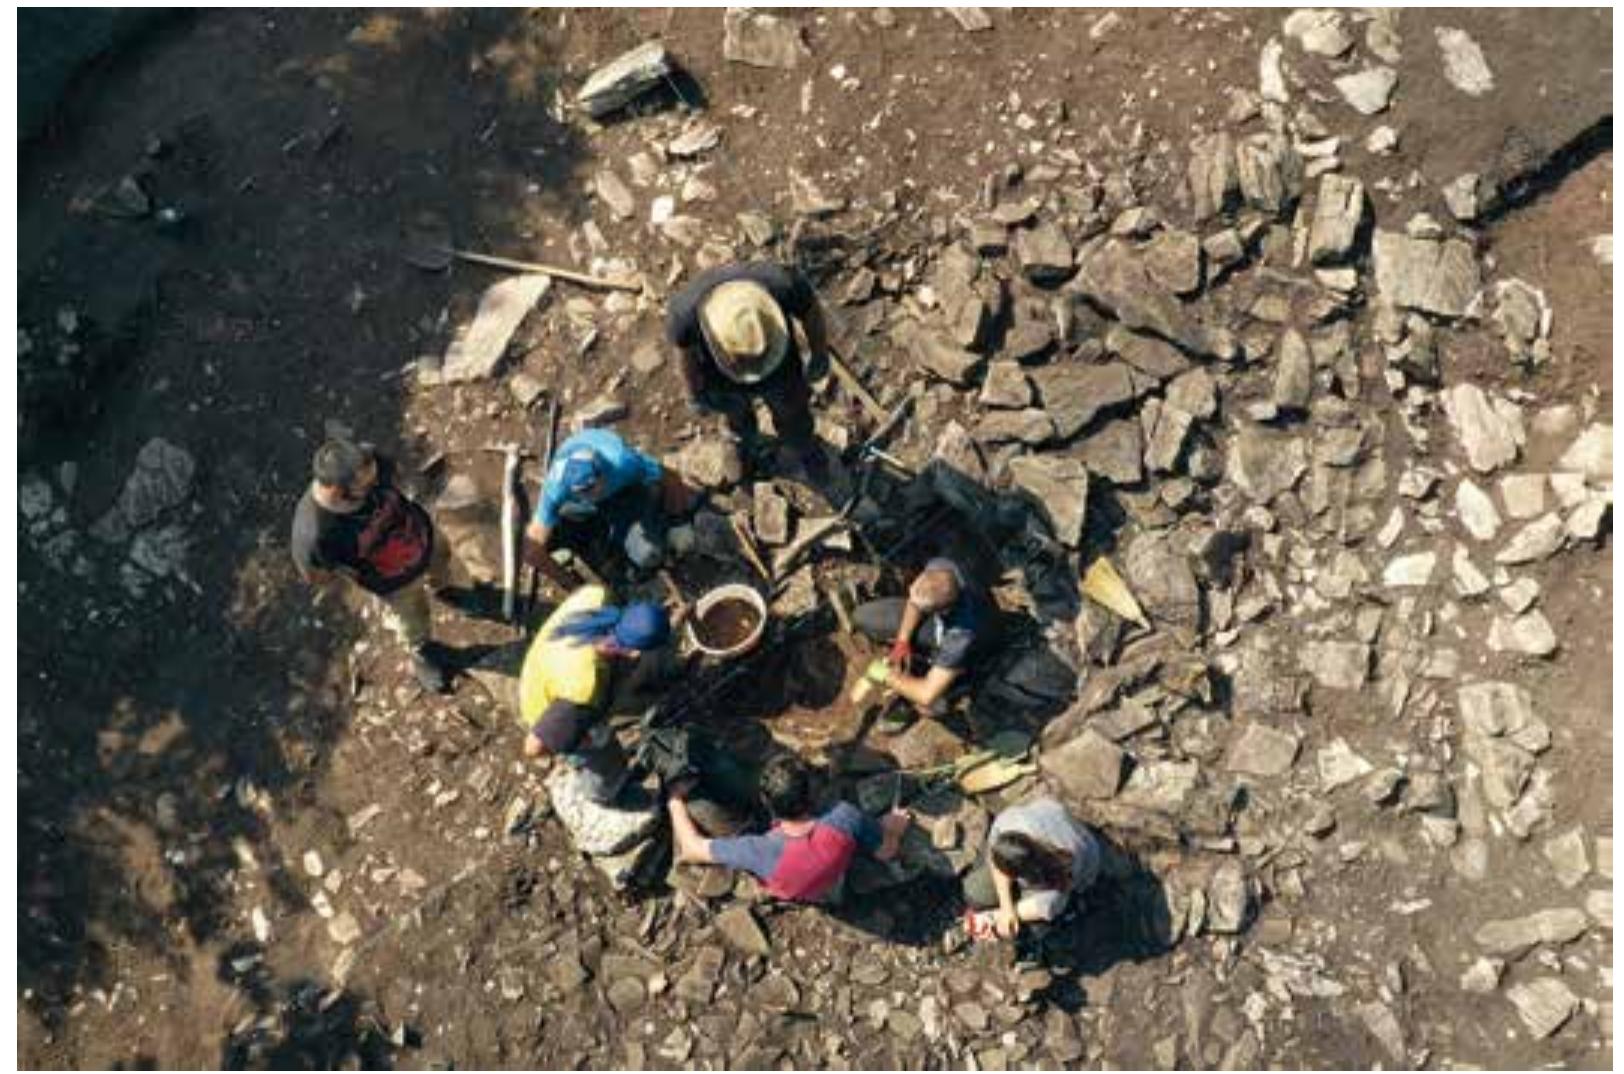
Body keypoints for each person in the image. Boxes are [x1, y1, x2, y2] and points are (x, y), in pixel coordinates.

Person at [292, 438, 452, 693]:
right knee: (414, 619)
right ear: (336, 491)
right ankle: (422, 653)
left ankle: (444, 589)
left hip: (423, 533)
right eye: (365, 487)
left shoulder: (367, 463)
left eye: (374, 475)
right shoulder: (315, 534)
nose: (376, 485)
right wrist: (357, 576)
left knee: (442, 558)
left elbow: (394, 475)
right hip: (395, 582)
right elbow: (315, 574)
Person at [667, 753, 911, 904]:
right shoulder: (845, 816)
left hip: (789, 885)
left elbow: (691, 849)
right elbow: (887, 851)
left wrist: (675, 800)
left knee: (702, 805)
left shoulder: (757, 850)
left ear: (766, 803)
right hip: (831, 879)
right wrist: (893, 827)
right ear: (813, 794)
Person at [665, 261, 830, 477]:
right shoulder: (686, 313)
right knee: (735, 413)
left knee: (793, 412)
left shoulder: (783, 284)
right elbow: (684, 354)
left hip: (781, 370)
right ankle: (741, 442)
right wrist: (693, 393)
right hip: (721, 378)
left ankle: (803, 444)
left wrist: (819, 353)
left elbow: (811, 311)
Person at [517, 584, 673, 804]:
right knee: (603, 757)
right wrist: (577, 743)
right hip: (542, 705)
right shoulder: (583, 690)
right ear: (633, 652)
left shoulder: (597, 595)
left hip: (544, 659)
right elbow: (532, 748)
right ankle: (605, 794)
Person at [522, 428, 690, 585]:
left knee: (647, 553)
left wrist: (678, 522)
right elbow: (532, 549)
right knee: (557, 532)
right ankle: (600, 542)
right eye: (583, 490)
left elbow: (670, 477)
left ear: (602, 472)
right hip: (584, 505)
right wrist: (569, 582)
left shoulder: (623, 462)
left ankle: (627, 535)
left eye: (592, 486)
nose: (591, 492)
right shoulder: (556, 487)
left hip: (623, 491)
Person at [851, 557, 989, 715]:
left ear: (938, 611)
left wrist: (885, 675)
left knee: (929, 705)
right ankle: (923, 662)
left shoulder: (959, 638)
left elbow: (926, 695)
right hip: (944, 618)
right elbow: (914, 603)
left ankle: (957, 685)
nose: (910, 590)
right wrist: (902, 643)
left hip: (973, 644)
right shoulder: (941, 567)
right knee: (863, 616)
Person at [963, 797, 1101, 939]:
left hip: (1080, 863)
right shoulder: (1008, 824)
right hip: (1049, 824)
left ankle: (1071, 911)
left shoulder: (1058, 879)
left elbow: (1044, 907)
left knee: (1033, 930)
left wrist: (994, 918)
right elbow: (996, 858)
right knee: (974, 894)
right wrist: (1005, 906)